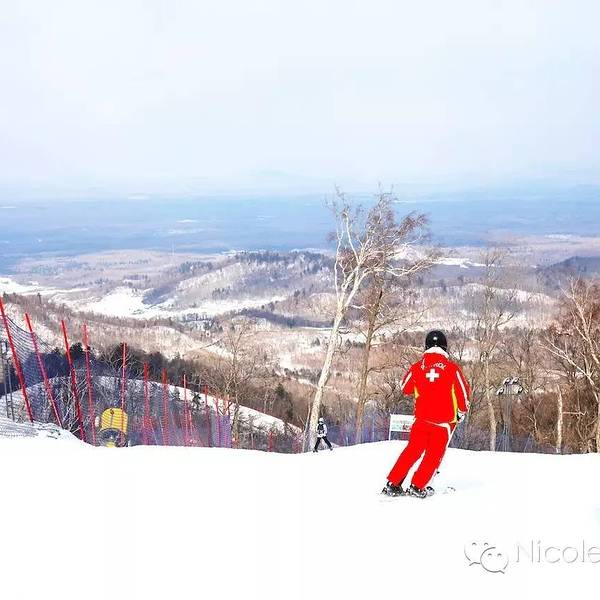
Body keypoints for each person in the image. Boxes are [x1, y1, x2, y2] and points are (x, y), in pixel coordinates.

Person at [382, 330, 471, 498]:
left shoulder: (417, 367)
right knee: (433, 456)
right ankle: (417, 486)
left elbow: (405, 387)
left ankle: (393, 483)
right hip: (443, 423)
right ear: (444, 347)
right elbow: (463, 393)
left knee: (411, 451)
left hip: (421, 420)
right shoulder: (452, 368)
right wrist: (461, 411)